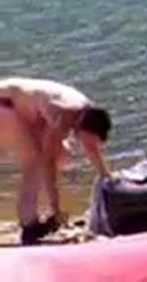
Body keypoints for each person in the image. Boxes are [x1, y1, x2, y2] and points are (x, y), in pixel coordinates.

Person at [0, 77, 113, 245]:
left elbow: (92, 149)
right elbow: (47, 162)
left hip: (25, 108)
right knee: (35, 159)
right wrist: (56, 209)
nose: (88, 145)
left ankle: (43, 211)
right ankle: (29, 223)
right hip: (6, 104)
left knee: (63, 153)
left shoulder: (88, 113)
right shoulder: (63, 114)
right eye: (88, 140)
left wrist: (108, 179)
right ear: (83, 127)